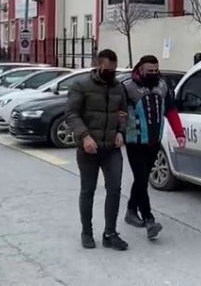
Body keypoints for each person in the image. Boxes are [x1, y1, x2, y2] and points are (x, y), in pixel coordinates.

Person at [65, 48, 129, 251]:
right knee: (88, 190)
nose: (111, 72)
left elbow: (123, 113)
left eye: (114, 69)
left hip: (111, 148)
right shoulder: (80, 85)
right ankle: (87, 232)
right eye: (108, 69)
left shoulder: (118, 87)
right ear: (98, 65)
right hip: (88, 149)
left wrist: (121, 132)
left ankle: (110, 233)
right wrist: (84, 136)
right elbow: (71, 114)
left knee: (115, 189)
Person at [121, 55, 186, 240]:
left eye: (156, 70)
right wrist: (117, 134)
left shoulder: (162, 86)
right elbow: (119, 113)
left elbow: (171, 111)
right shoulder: (127, 88)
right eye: (150, 71)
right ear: (140, 69)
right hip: (135, 142)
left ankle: (131, 210)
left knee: (140, 180)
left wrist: (179, 133)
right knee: (142, 180)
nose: (154, 73)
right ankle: (149, 220)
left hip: (154, 142)